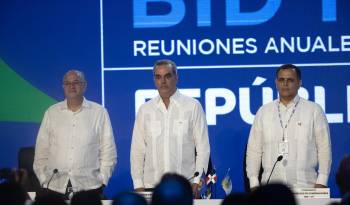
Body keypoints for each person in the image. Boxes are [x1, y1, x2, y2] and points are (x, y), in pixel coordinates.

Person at [130, 59, 210, 196]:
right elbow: (137, 151)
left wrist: (197, 181)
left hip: (185, 187)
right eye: (158, 77)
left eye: (167, 76)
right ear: (154, 80)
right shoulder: (145, 110)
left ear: (176, 77)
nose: (163, 81)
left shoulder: (192, 106)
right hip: (152, 188)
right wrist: (138, 185)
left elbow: (203, 148)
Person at [33, 70, 117, 199]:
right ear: (63, 87)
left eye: (76, 82)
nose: (71, 86)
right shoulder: (52, 112)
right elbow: (41, 150)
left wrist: (102, 179)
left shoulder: (99, 112)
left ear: (84, 86)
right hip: (55, 186)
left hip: (89, 186)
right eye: (67, 83)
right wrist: (44, 179)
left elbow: (108, 150)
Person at [246, 64, 332, 189]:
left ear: (299, 83)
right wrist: (253, 182)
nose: (285, 84)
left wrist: (322, 180)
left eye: (290, 80)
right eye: (281, 80)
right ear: (276, 83)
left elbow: (324, 147)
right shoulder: (264, 112)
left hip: (306, 185)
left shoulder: (313, 110)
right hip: (270, 186)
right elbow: (254, 150)